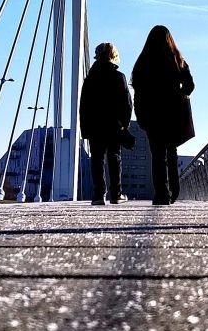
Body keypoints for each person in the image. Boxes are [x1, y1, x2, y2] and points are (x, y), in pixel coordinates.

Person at [131, 25, 195, 205]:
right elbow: (190, 86)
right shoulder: (177, 60)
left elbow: (137, 87)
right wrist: (179, 92)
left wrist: (141, 113)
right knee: (171, 151)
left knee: (157, 154)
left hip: (151, 112)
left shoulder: (143, 61)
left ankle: (161, 193)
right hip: (172, 111)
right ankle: (174, 190)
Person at [79, 41, 132, 206]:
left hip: (95, 125)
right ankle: (116, 193)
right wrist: (124, 124)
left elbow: (84, 106)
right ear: (113, 56)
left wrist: (85, 129)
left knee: (97, 159)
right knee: (114, 157)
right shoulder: (118, 77)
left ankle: (98, 195)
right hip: (113, 125)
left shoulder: (90, 79)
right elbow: (127, 104)